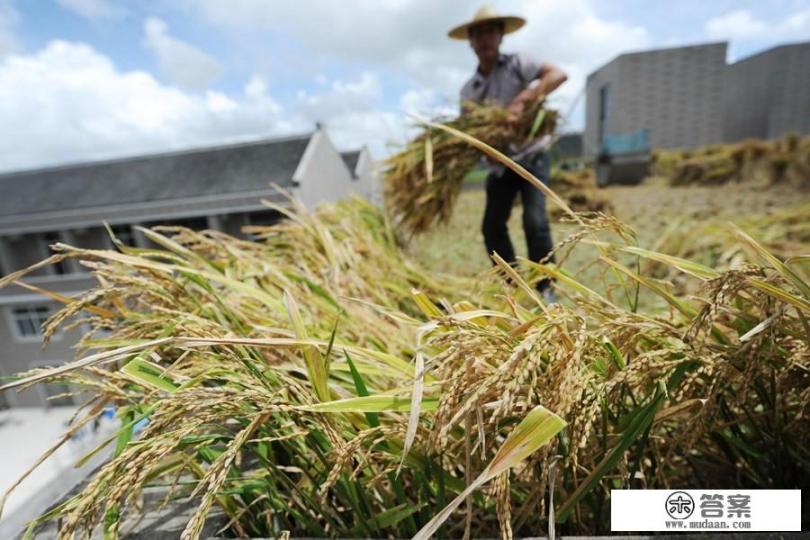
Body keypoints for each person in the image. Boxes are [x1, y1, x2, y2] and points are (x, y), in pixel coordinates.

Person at [448, 6, 567, 301]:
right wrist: (484, 151)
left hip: (531, 157)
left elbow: (558, 74)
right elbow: (470, 135)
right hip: (501, 167)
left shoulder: (518, 64)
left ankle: (546, 289)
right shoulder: (469, 91)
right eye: (478, 34)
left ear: (500, 36)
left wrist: (523, 99)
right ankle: (513, 288)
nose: (485, 39)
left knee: (535, 222)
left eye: (491, 31)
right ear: (471, 42)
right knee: (491, 228)